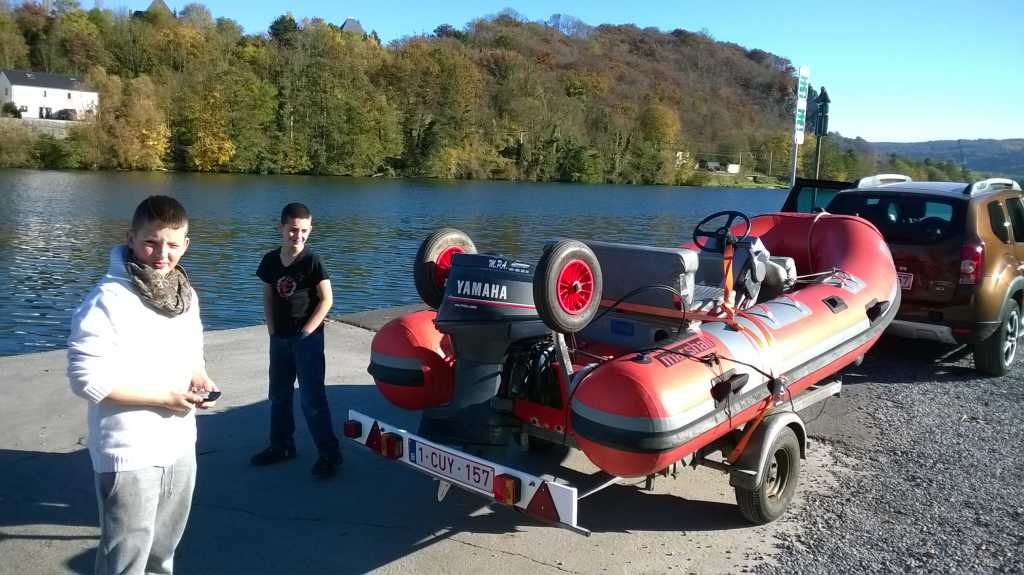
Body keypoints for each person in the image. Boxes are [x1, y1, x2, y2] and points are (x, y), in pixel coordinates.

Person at [67, 195, 218, 575]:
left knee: (161, 557)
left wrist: (199, 375)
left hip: (179, 447)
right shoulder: (107, 299)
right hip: (129, 453)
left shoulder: (184, 294)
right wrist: (165, 399)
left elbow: (192, 350)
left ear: (186, 244)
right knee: (124, 562)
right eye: (151, 242)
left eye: (172, 244)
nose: (162, 254)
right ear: (131, 238)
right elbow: (87, 381)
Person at [251, 202, 342, 478]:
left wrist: (307, 331)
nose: (298, 236)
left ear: (310, 229)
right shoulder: (270, 261)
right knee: (279, 395)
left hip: (307, 341)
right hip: (279, 338)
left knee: (312, 399)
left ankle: (329, 455)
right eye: (292, 230)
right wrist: (271, 330)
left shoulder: (313, 261)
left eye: (303, 230)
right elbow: (268, 297)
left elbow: (327, 300)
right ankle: (281, 446)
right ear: (281, 227)